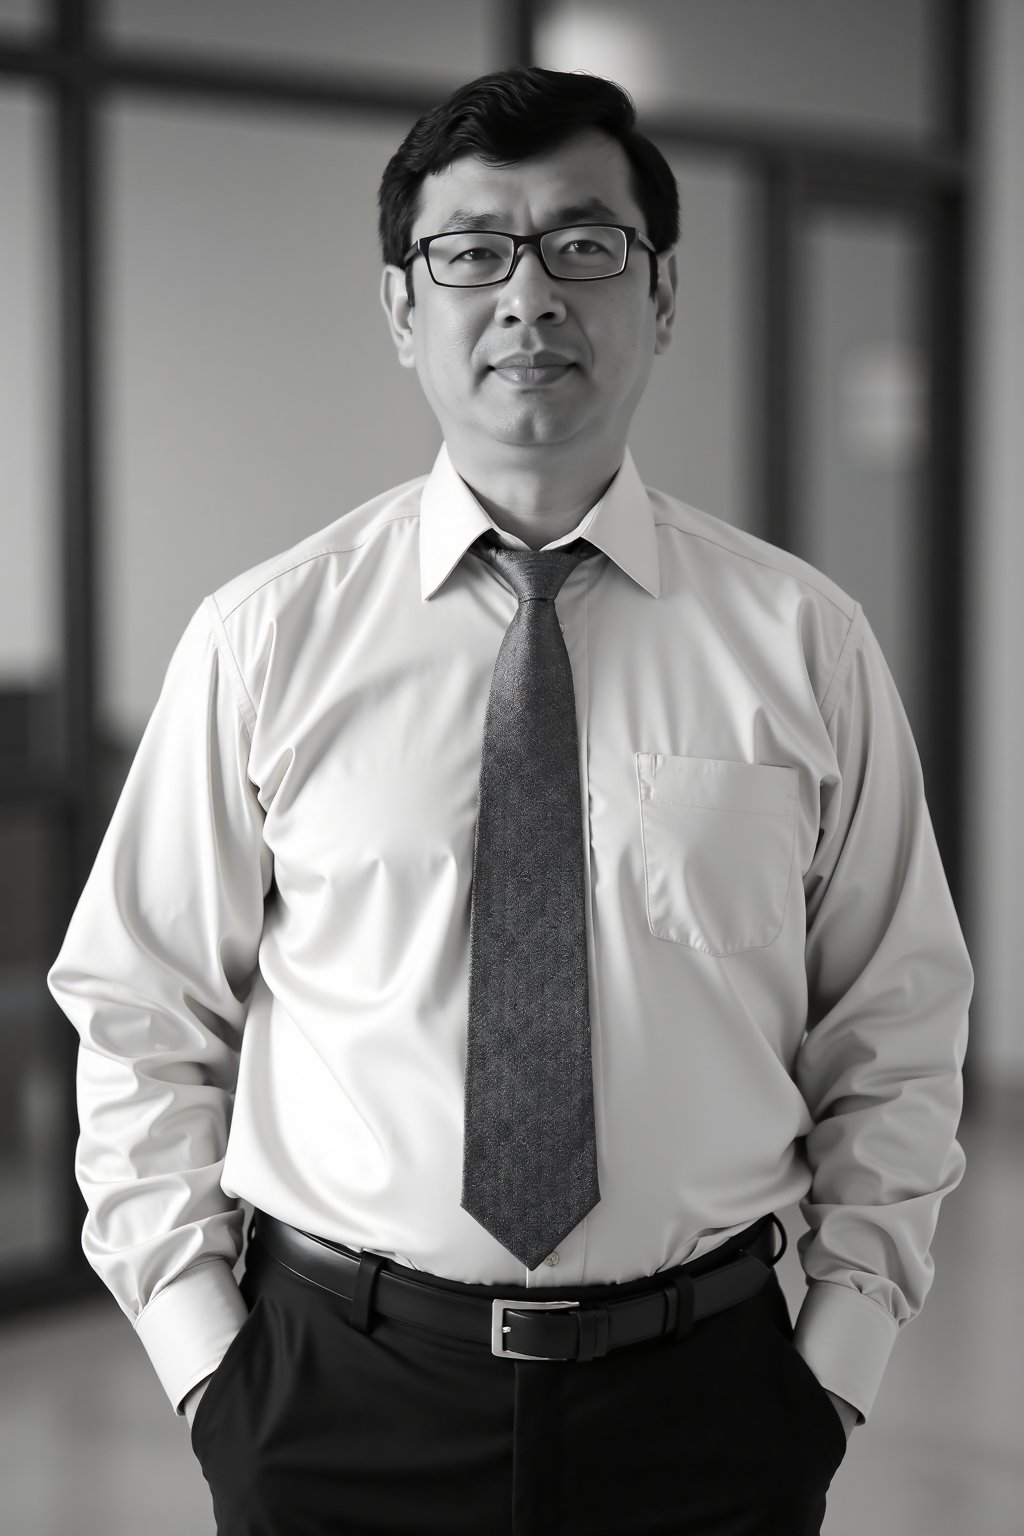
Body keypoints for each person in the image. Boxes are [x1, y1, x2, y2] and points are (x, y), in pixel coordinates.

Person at [48, 66, 972, 1536]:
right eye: (471, 251)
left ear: (662, 296)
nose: (528, 297)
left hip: (709, 1410)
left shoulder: (805, 645)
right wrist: (213, 1376)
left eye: (584, 246)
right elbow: (142, 1013)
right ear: (403, 310)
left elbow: (899, 1025)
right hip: (338, 1403)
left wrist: (833, 1370)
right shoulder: (266, 639)